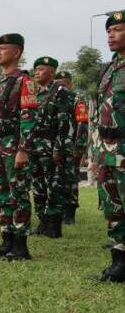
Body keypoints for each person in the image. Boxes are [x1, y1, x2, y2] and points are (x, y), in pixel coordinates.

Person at [0, 33, 37, 261]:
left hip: (14, 145)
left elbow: (29, 117)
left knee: (18, 195)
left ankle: (20, 245)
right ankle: (6, 240)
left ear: (17, 52)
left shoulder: (25, 82)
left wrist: (23, 149)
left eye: (3, 48)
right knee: (1, 194)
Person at [92, 10, 125, 282]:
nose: (111, 36)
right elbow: (99, 113)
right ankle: (119, 263)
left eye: (117, 30)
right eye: (108, 32)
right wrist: (94, 152)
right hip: (107, 149)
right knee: (112, 207)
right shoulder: (109, 68)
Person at [29, 57, 73, 239]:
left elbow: (65, 123)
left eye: (41, 69)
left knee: (54, 185)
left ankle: (54, 225)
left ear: (52, 72)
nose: (37, 72)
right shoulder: (35, 93)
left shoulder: (61, 91)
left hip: (52, 144)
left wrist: (59, 148)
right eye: (36, 69)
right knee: (38, 186)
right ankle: (43, 221)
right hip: (34, 146)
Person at [55, 70, 88, 225]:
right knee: (57, 179)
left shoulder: (77, 99)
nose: (61, 86)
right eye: (58, 83)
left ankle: (70, 212)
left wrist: (79, 148)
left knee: (71, 180)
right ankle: (59, 210)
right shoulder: (54, 99)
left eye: (64, 83)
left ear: (70, 83)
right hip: (56, 147)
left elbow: (82, 125)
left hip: (71, 148)